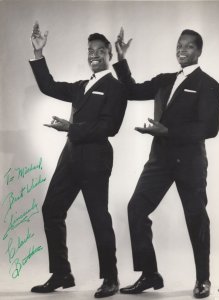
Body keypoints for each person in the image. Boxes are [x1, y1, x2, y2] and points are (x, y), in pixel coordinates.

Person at [113, 28, 219, 298]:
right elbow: (131, 90)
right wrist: (121, 59)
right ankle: (149, 274)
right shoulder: (164, 80)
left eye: (188, 47)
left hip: (190, 162)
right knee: (136, 208)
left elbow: (209, 128)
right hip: (160, 159)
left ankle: (203, 280)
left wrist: (168, 132)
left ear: (199, 52)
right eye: (179, 45)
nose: (182, 50)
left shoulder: (209, 85)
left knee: (196, 218)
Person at [29, 22, 127, 298]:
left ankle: (111, 278)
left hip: (96, 160)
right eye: (89, 51)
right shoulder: (81, 86)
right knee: (51, 210)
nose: (93, 55)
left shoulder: (116, 88)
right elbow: (48, 86)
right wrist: (39, 53)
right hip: (70, 157)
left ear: (109, 53)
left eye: (99, 50)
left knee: (99, 218)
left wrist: (70, 128)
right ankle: (62, 273)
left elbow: (110, 128)